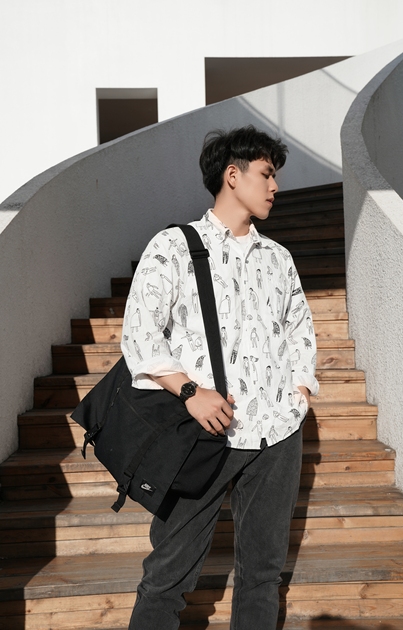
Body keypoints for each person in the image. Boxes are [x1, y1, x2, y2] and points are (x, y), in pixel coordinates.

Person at [121, 125, 319, 629]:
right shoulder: (174, 246)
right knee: (167, 576)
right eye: (266, 174)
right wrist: (188, 391)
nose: (275, 186)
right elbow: (140, 333)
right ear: (233, 175)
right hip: (204, 433)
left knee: (263, 576)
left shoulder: (279, 258)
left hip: (277, 434)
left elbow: (300, 330)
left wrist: (299, 393)